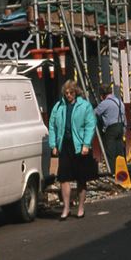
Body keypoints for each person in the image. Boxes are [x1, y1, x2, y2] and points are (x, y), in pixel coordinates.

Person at [48, 80, 98, 219]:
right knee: (64, 178)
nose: (68, 95)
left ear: (76, 92)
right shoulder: (58, 107)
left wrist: (86, 144)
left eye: (71, 93)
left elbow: (90, 125)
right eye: (66, 93)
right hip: (65, 145)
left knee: (81, 178)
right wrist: (53, 145)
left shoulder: (85, 106)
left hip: (80, 146)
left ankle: (81, 207)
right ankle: (66, 208)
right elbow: (52, 126)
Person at [94, 83, 127, 173]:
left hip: (111, 129)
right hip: (120, 127)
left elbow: (94, 113)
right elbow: (124, 118)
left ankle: (112, 173)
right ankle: (121, 173)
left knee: (110, 153)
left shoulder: (105, 103)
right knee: (119, 153)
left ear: (103, 95)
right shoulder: (120, 102)